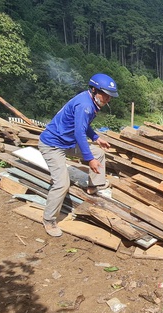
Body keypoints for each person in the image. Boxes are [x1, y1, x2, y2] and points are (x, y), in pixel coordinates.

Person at [38, 74, 117, 237]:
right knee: (61, 184)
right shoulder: (85, 105)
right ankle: (49, 220)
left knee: (98, 152)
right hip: (52, 145)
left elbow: (84, 125)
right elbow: (79, 133)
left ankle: (93, 186)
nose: (108, 99)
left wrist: (96, 138)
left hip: (67, 142)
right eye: (105, 94)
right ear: (94, 90)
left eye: (110, 96)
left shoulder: (91, 102)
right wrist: (89, 160)